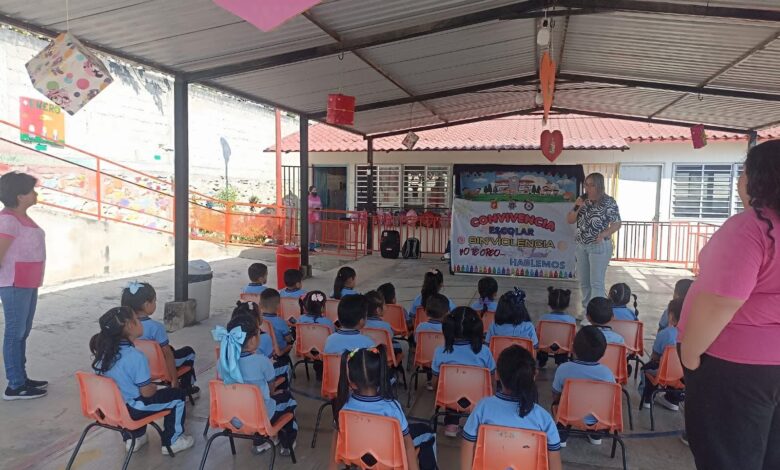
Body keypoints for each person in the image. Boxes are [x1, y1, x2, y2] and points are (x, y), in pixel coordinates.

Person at [679, 140, 780, 470]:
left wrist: (690, 355)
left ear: (758, 178)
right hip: (768, 369)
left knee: (728, 458)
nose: (739, 180)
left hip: (734, 369)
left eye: (743, 172)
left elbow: (721, 301)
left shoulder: (751, 227)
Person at [90, 307, 194, 454]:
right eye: (137, 319)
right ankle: (173, 441)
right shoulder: (135, 356)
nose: (140, 322)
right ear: (129, 325)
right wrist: (154, 387)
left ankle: (134, 437)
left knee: (129, 395)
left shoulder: (102, 355)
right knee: (177, 396)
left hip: (109, 409)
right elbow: (146, 393)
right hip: (133, 409)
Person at [329, 346, 437, 470]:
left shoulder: (344, 407)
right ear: (382, 377)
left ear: (351, 382)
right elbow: (407, 445)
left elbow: (335, 442)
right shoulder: (392, 408)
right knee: (427, 432)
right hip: (389, 457)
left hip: (359, 455)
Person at [461, 346, 562, 470]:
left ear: (497, 375)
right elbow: (555, 464)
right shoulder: (544, 419)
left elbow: (467, 446)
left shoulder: (482, 408)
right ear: (534, 375)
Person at [213, 314, 297, 456]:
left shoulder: (221, 362)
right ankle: (287, 444)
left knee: (254, 404)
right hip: (259, 417)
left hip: (231, 418)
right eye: (259, 333)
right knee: (288, 400)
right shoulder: (262, 361)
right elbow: (271, 388)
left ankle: (260, 443)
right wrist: (270, 394)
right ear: (252, 340)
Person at [0, 172, 47, 400]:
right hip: (14, 283)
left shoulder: (21, 217)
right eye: (31, 191)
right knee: (15, 333)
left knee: (22, 332)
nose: (35, 193)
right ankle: (15, 385)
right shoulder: (8, 219)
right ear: (20, 196)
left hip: (27, 283)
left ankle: (21, 377)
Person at [121, 281, 197, 396]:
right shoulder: (156, 327)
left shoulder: (124, 326)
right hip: (160, 367)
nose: (155, 304)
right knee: (189, 352)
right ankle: (186, 389)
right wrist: (173, 378)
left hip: (139, 368)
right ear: (147, 305)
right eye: (154, 301)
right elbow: (167, 355)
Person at [432, 307, 496, 437]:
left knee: (452, 388)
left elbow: (435, 382)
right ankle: (476, 424)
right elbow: (492, 380)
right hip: (478, 398)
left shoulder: (440, 351)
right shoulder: (484, 352)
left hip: (449, 397)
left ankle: (451, 425)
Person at [567, 172, 622, 311]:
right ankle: (587, 311)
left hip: (599, 246)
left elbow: (616, 223)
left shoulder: (608, 202)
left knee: (596, 283)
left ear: (599, 186)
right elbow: (570, 219)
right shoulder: (583, 201)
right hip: (582, 246)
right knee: (584, 282)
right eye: (586, 185)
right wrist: (576, 206)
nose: (587, 188)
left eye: (591, 185)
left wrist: (604, 234)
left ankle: (597, 313)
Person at [551, 325, 614, 446]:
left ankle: (562, 434)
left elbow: (555, 394)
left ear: (573, 349)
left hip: (568, 414)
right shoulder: (607, 373)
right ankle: (596, 434)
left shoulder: (564, 368)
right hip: (598, 417)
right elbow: (609, 401)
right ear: (603, 352)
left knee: (559, 402)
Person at [640, 298, 682, 411]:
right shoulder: (694, 334)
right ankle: (673, 400)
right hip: (685, 375)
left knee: (646, 369)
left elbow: (655, 356)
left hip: (663, 373)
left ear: (671, 317)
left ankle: (648, 398)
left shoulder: (665, 333)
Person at [415, 293, 449, 391]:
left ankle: (430, 379)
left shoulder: (420, 327)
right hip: (442, 363)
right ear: (446, 312)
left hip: (423, 360)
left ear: (426, 312)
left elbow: (416, 341)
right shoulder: (447, 329)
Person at [537, 287, 576, 368]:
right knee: (563, 351)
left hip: (543, 347)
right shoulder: (571, 321)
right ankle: (561, 362)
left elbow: (537, 333)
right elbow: (573, 337)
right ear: (567, 305)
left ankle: (542, 361)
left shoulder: (543, 318)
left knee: (542, 349)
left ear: (549, 303)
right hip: (563, 348)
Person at [260, 289, 293, 358]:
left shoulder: (257, 320)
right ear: (278, 306)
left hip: (263, 350)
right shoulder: (280, 321)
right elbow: (288, 339)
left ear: (260, 304)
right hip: (279, 351)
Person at [308, 186, 322, 251]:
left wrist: (320, 208)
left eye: (316, 190)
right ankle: (307, 246)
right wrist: (312, 209)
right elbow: (308, 206)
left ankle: (312, 247)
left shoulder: (318, 198)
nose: (315, 191)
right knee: (310, 231)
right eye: (313, 190)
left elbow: (320, 205)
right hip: (310, 215)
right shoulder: (308, 198)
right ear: (310, 191)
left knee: (315, 232)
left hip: (317, 216)